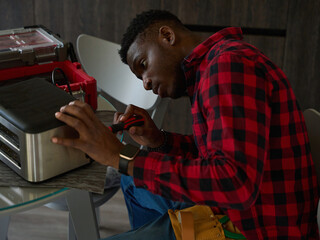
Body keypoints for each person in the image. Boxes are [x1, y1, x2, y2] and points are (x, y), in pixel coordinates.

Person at [51, 9, 319, 239]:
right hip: (236, 212)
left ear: (167, 36)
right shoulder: (213, 67)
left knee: (132, 175)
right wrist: (159, 141)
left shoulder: (228, 65)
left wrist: (119, 156)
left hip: (252, 229)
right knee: (133, 185)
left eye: (143, 64)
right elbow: (216, 158)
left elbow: (234, 183)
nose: (145, 82)